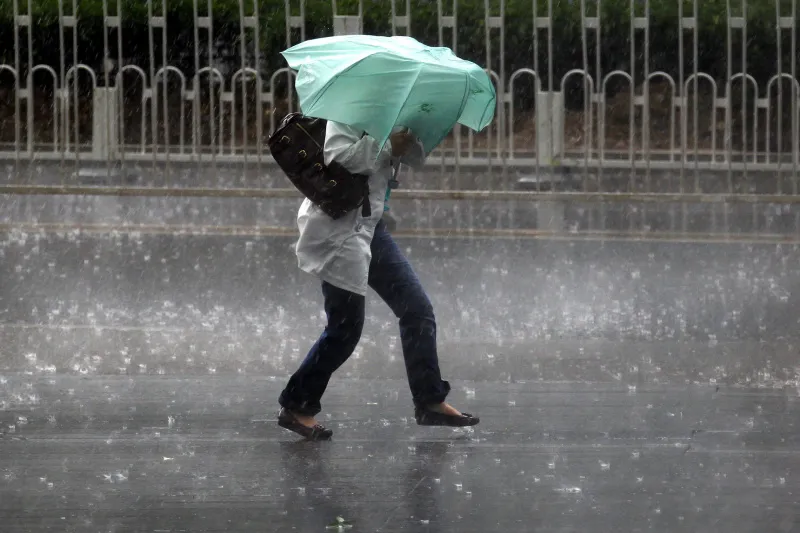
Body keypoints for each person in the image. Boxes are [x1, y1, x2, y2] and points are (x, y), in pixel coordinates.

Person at [277, 120, 479, 440]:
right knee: (344, 328)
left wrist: (410, 139)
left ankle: (430, 401)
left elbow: (415, 160)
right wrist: (387, 147)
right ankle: (297, 405)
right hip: (339, 227)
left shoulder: (394, 108)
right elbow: (337, 156)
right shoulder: (347, 108)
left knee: (416, 310)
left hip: (371, 228)